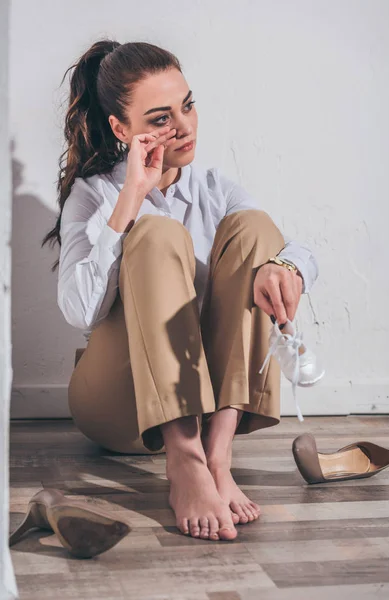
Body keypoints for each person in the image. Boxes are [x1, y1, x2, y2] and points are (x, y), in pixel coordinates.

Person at [42, 39, 319, 542]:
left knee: (258, 231)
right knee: (156, 233)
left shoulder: (214, 188)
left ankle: (216, 458)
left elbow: (297, 248)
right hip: (117, 405)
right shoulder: (95, 194)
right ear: (122, 130)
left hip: (205, 403)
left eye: (187, 105)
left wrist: (286, 268)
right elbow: (81, 311)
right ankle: (184, 461)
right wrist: (131, 199)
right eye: (161, 117)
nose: (185, 126)